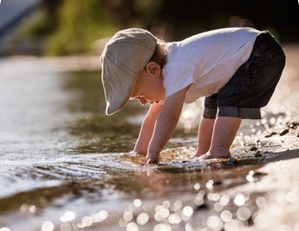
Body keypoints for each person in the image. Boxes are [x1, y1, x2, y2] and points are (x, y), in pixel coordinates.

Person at [100, 27, 285, 163]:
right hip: (241, 58)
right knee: (211, 105)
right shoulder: (163, 73)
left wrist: (154, 154)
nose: (143, 102)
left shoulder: (175, 68)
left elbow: (169, 117)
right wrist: (138, 152)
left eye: (140, 94)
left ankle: (219, 150)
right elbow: (151, 120)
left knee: (230, 99)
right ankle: (203, 152)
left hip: (260, 53)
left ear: (153, 70)